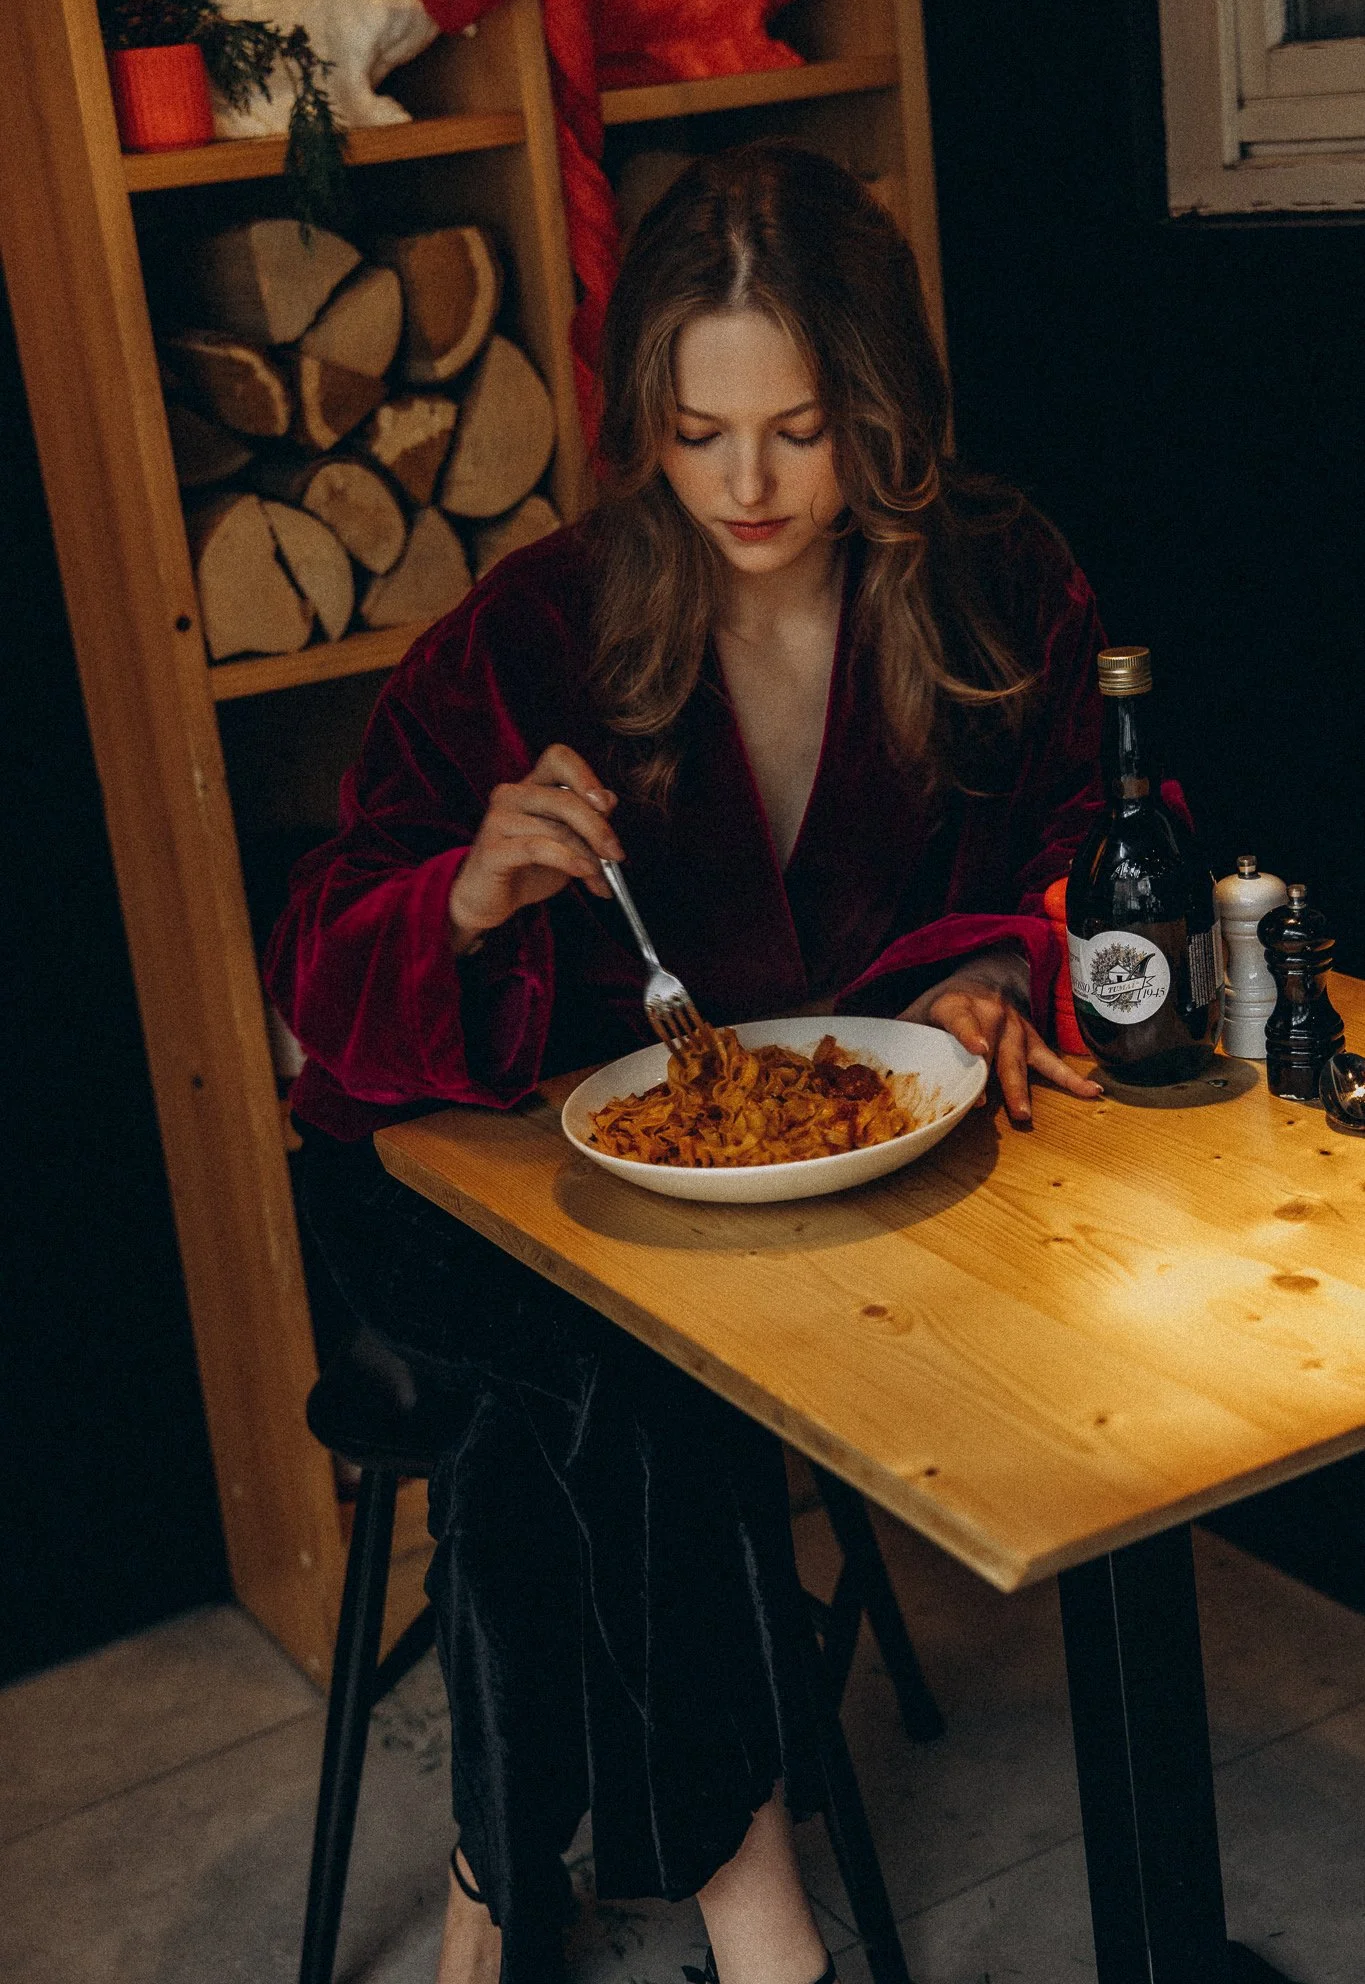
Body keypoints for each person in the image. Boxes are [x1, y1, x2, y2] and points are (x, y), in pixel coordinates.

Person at [265, 142, 1106, 1984]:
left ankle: (497, 1863)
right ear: (643, 411)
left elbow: (1096, 834)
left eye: (798, 431)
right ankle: (764, 1922)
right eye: (698, 429)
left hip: (815, 1184)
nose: (742, 486)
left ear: (880, 410)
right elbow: (320, 978)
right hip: (464, 1181)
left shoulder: (993, 588)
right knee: (617, 1366)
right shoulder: (537, 630)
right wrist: (466, 902)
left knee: (539, 1440)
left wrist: (993, 959)